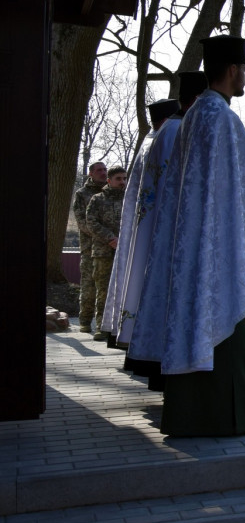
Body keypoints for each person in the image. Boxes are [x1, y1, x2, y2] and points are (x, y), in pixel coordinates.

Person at [129, 34, 245, 437]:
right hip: (223, 250)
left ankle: (191, 411)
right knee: (228, 326)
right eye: (243, 69)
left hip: (193, 247)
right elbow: (241, 201)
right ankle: (226, 417)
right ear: (231, 70)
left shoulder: (194, 115)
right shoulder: (224, 120)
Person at [103, 99, 181, 351]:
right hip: (157, 225)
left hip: (144, 226)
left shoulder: (148, 142)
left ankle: (129, 333)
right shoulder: (166, 139)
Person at [85, 166, 128, 341]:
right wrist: (110, 238)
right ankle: (102, 327)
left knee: (125, 289)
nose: (122, 182)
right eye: (118, 179)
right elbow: (91, 222)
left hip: (126, 251)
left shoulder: (130, 199)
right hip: (103, 252)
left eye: (125, 178)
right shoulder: (97, 199)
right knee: (103, 289)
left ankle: (122, 327)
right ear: (109, 181)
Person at [73, 161, 107, 334]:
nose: (103, 172)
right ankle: (85, 321)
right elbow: (82, 223)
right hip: (90, 248)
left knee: (106, 288)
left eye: (105, 169)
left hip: (110, 248)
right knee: (88, 287)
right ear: (91, 174)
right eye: (99, 170)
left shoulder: (112, 192)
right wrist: (105, 237)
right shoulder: (82, 194)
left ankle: (106, 324)